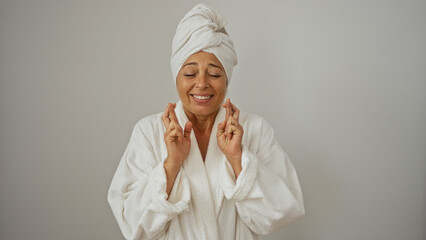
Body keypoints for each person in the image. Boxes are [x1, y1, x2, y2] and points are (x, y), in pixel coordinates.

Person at [107, 3, 305, 240]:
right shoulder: (148, 133)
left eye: (214, 74)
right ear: (177, 78)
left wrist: (237, 160)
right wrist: (172, 164)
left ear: (227, 80)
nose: (201, 84)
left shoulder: (254, 130)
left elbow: (282, 212)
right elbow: (132, 225)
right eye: (190, 73)